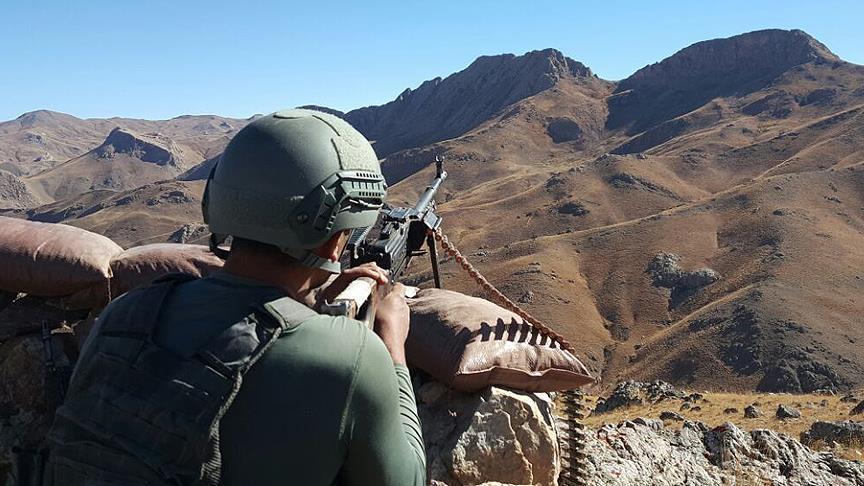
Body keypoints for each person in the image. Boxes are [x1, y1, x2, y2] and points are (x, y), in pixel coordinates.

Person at [44, 109, 426, 485]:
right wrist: (392, 345)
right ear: (333, 241)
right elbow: (407, 480)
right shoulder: (350, 356)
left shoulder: (126, 313)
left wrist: (310, 306)